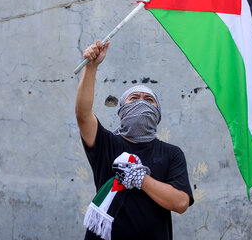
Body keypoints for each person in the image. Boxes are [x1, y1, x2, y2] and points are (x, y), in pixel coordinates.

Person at [75, 40, 194, 240]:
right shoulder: (106, 143)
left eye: (149, 100)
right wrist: (91, 67)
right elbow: (83, 115)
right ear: (121, 109)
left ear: (157, 112)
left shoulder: (171, 153)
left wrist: (141, 179)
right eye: (133, 98)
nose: (141, 102)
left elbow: (181, 202)